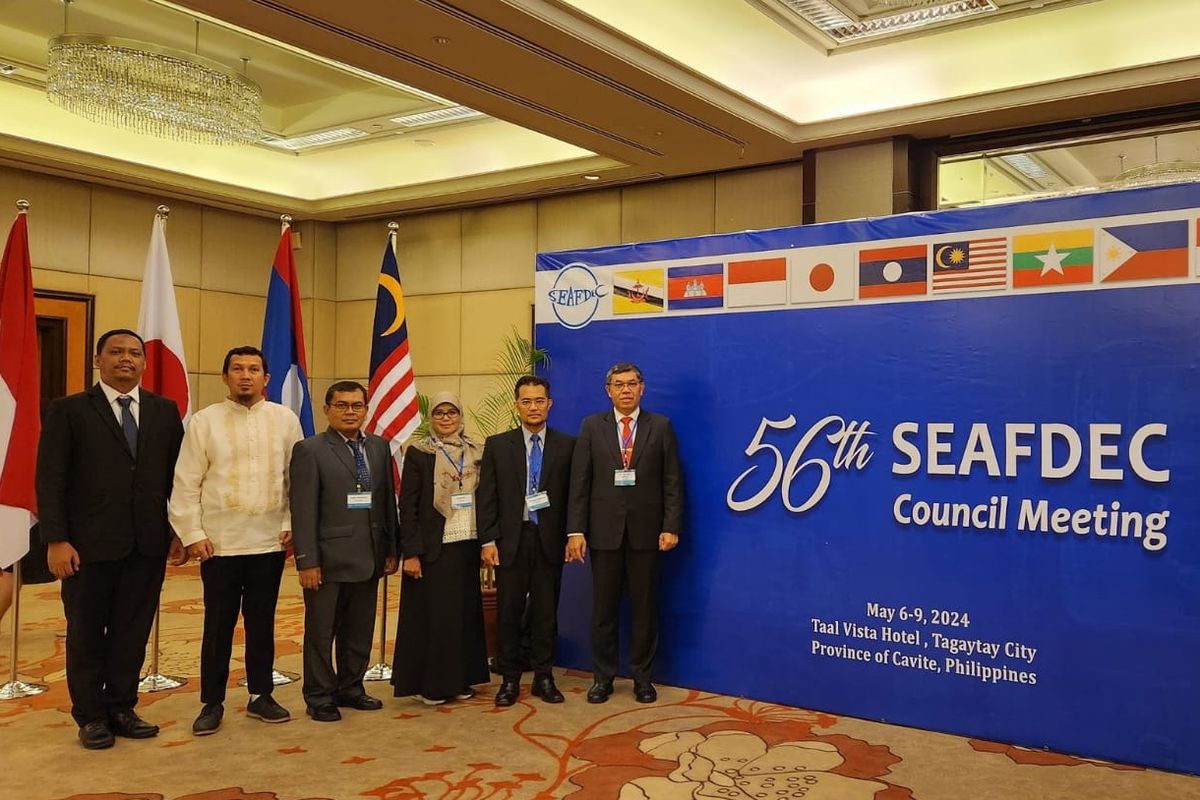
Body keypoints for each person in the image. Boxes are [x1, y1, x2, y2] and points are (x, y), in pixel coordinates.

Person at [35, 329, 186, 749]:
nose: (126, 359)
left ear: (144, 363)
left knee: (131, 631)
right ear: (97, 360)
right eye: (116, 352)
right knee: (86, 632)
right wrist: (56, 539)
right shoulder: (68, 410)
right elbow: (50, 479)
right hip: (86, 547)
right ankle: (90, 716)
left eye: (134, 353)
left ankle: (121, 706)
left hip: (147, 544)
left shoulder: (164, 410)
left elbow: (178, 479)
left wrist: (178, 531)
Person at [169, 346, 304, 735]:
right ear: (224, 376)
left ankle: (262, 694)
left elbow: (296, 478)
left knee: (262, 623)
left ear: (267, 378)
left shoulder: (285, 420)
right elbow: (186, 482)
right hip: (219, 544)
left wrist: (291, 522)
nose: (246, 375)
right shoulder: (204, 422)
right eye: (237, 369)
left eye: (254, 369)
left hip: (269, 542)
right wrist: (193, 534)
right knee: (218, 625)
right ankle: (212, 702)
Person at [567, 362, 683, 704]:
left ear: (642, 388)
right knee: (603, 610)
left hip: (647, 535)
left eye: (632, 384)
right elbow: (580, 483)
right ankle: (602, 678)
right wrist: (576, 530)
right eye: (619, 385)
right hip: (603, 535)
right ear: (608, 391)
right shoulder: (591, 426)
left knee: (645, 609)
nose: (626, 390)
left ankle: (642, 678)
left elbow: (672, 482)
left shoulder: (660, 426)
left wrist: (671, 526)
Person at [289, 381, 399, 722]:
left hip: (369, 556)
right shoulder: (310, 449)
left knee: (360, 629)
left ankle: (351, 687)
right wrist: (307, 560)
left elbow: (384, 503)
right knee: (321, 633)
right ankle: (319, 696)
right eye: (342, 405)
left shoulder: (379, 448)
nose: (350, 411)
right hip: (327, 559)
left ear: (366, 409)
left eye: (356, 405)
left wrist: (390, 549)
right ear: (327, 410)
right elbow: (303, 509)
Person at [477, 376, 576, 707]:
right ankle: (509, 679)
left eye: (539, 401)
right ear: (516, 405)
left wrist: (573, 534)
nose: (533, 407)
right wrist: (488, 540)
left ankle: (544, 677)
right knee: (509, 610)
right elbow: (487, 497)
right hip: (510, 540)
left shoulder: (567, 445)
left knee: (546, 611)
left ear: (550, 403)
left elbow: (574, 497)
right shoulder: (498, 445)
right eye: (526, 401)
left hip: (549, 540)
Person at [391, 391, 489, 705]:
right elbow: (408, 506)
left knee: (462, 616)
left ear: (461, 416)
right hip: (433, 548)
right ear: (431, 418)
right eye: (439, 414)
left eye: (452, 413)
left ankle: (459, 680)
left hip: (466, 544)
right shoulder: (419, 453)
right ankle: (432, 685)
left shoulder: (476, 452)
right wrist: (412, 552)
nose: (446, 419)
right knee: (434, 618)